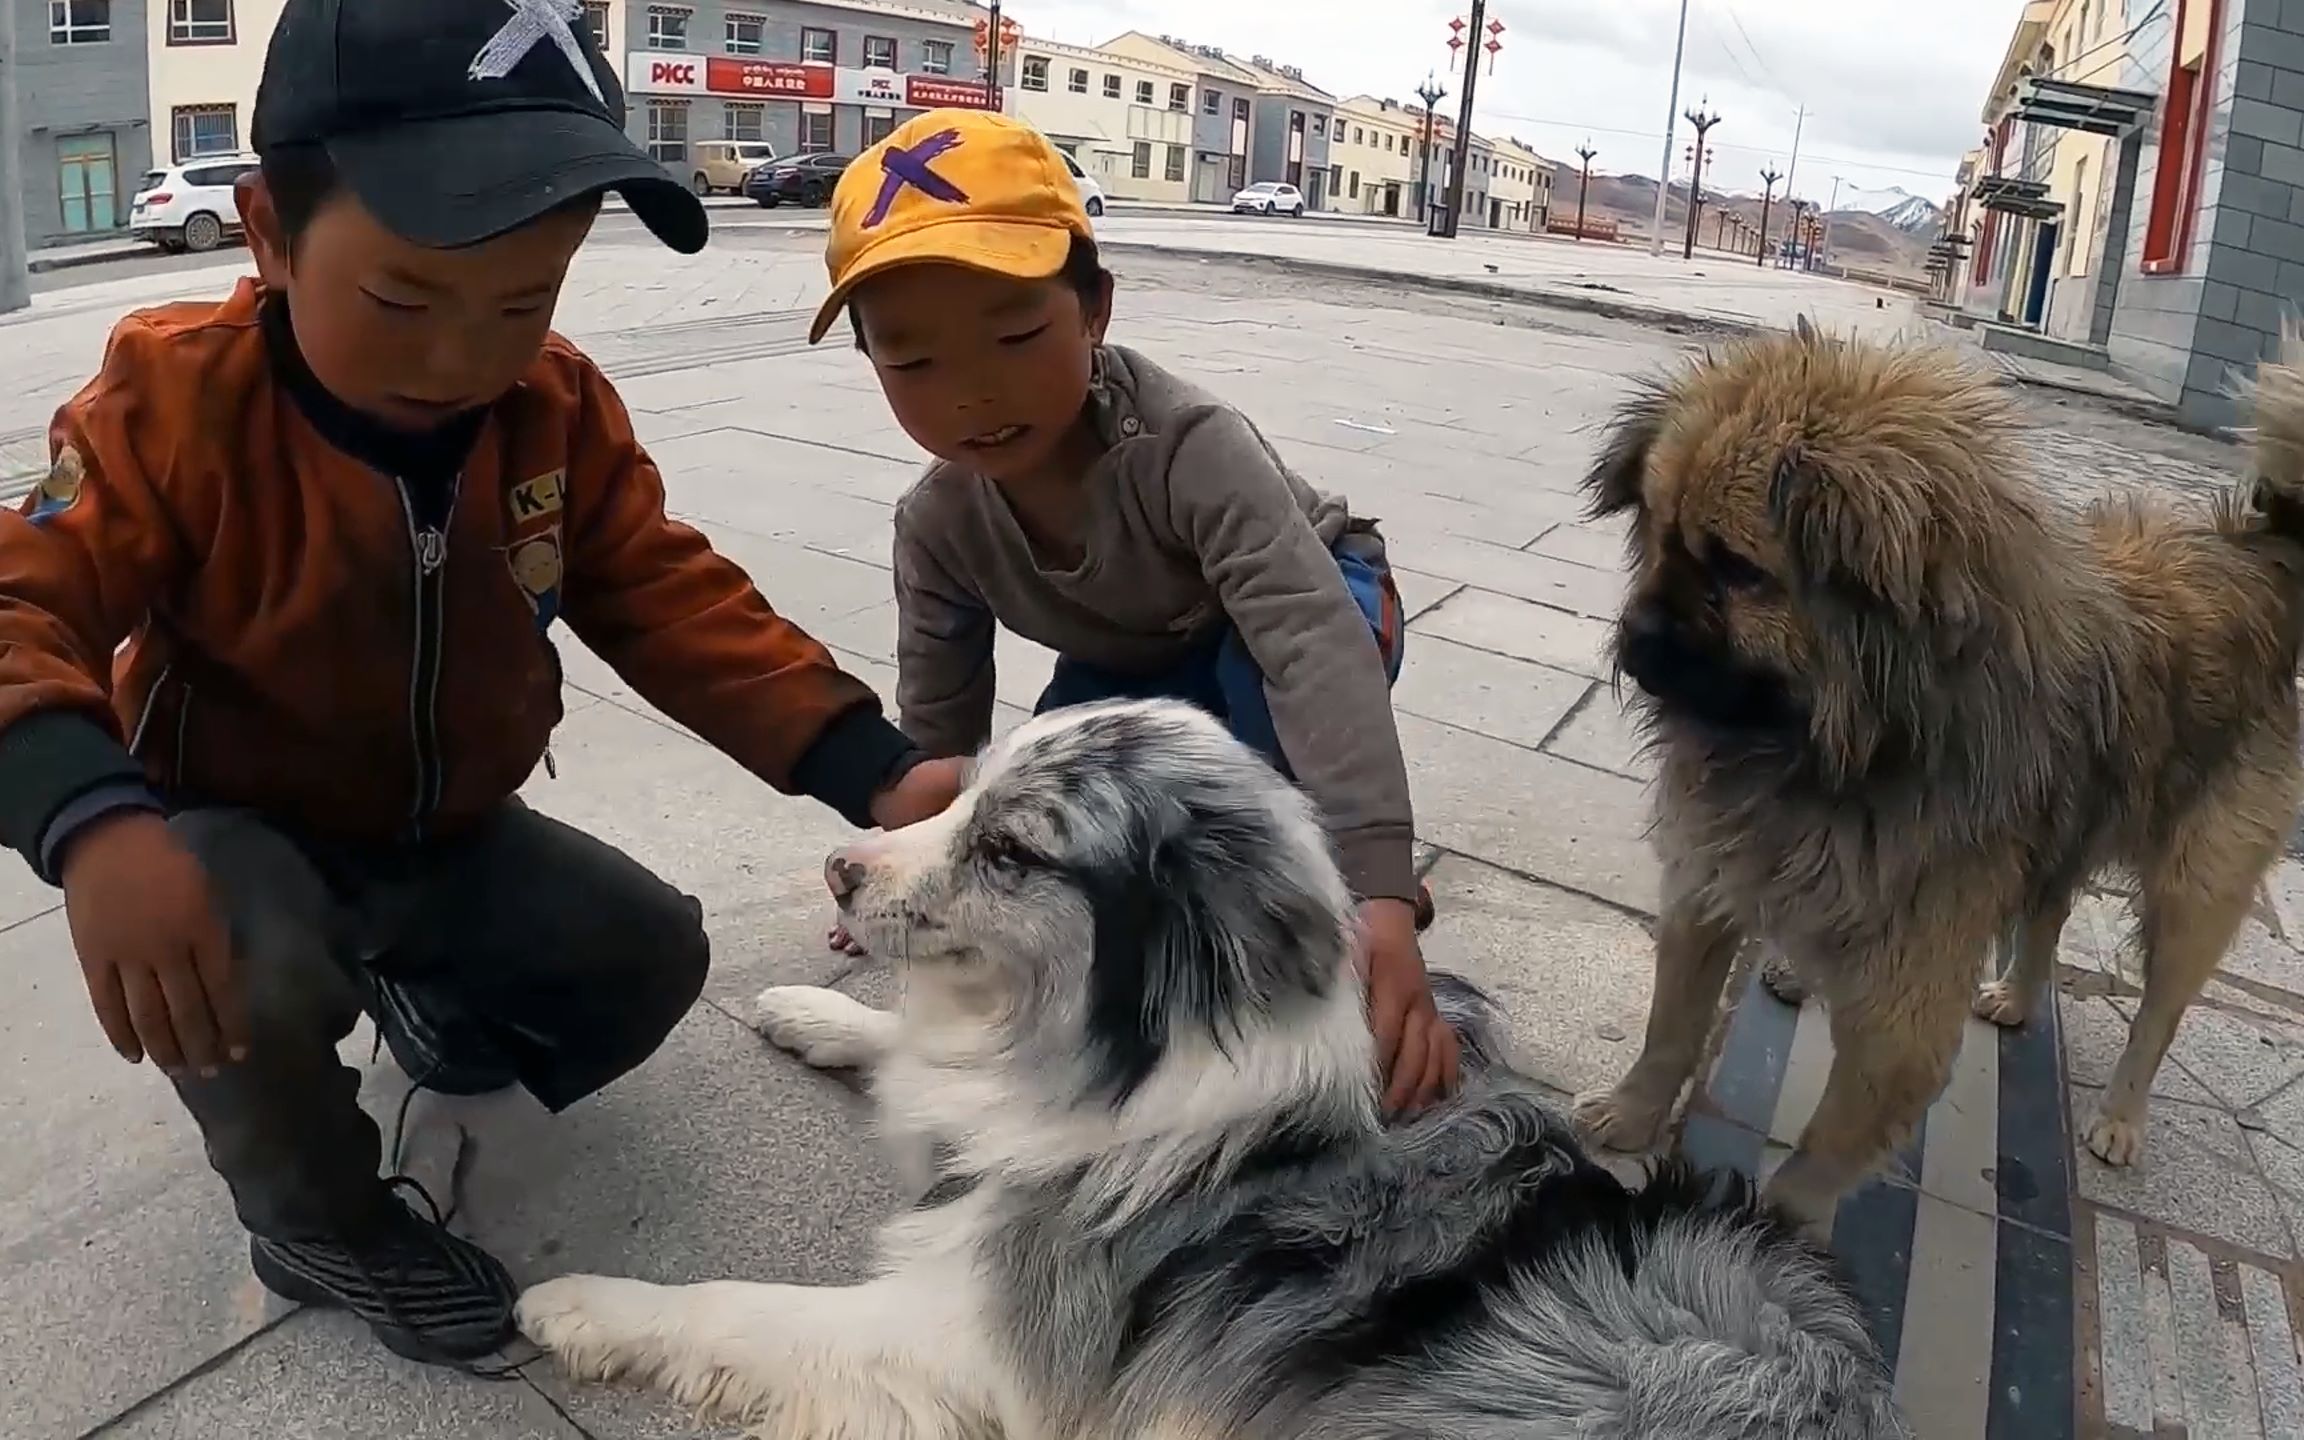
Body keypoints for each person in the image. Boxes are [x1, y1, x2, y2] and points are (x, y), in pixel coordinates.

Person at [0, 0, 962, 1368]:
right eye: (402, 299)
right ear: (269, 232)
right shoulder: (168, 405)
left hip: (451, 830)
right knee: (238, 964)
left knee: (651, 962)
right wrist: (91, 823)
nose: (463, 357)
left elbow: (668, 595)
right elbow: (18, 594)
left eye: (526, 299)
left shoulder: (554, 408)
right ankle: (319, 1217)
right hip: (237, 833)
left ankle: (417, 988)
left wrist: (876, 764)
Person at [810, 110, 1459, 1116]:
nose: (975, 395)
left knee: (1262, 746)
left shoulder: (1188, 443)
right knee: (1045, 784)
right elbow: (940, 723)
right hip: (1131, 663)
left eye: (1017, 336)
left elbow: (1307, 642)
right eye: (914, 362)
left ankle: (1322, 918)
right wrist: (910, 872)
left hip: (1313, 603)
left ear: (1096, 310)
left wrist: (1378, 893)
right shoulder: (937, 520)